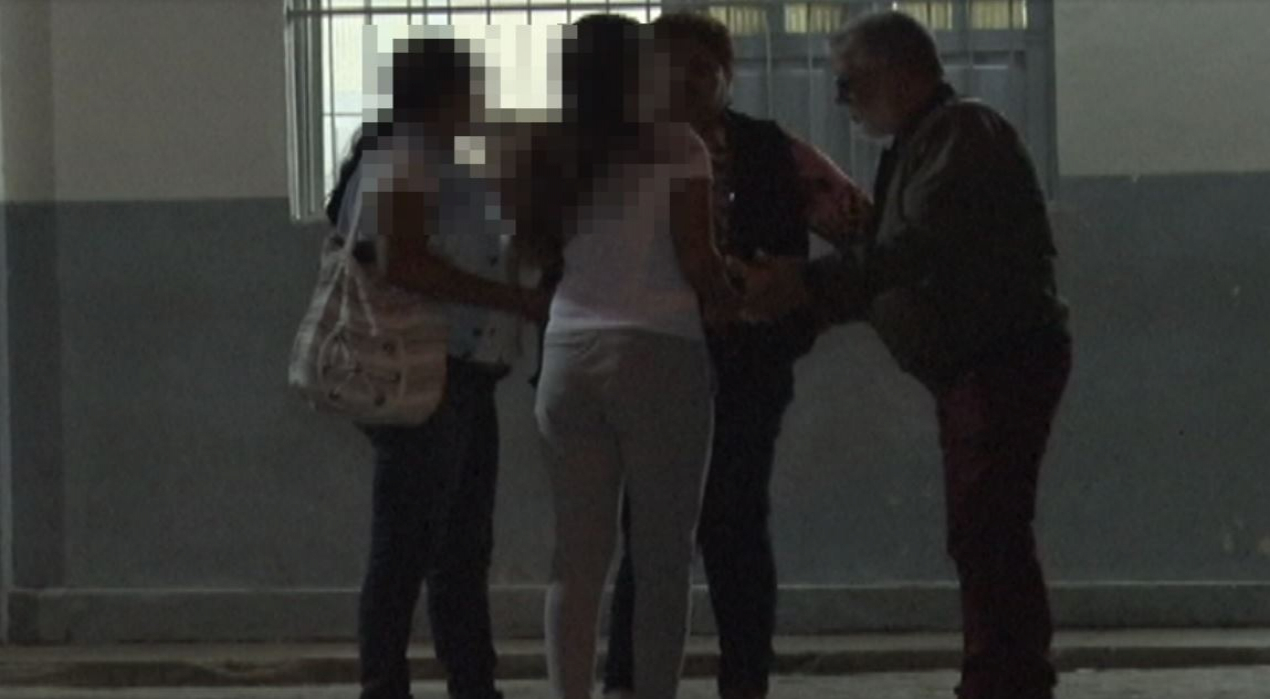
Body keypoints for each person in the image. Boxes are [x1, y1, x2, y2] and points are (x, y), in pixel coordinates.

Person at [743, 10, 1072, 699]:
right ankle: (1004, 676)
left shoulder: (958, 135)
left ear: (895, 73)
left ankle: (1005, 680)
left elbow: (919, 251)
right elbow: (902, 260)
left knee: (987, 529)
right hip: (981, 362)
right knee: (986, 527)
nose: (844, 101)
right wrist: (827, 285)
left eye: (850, 83)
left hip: (995, 359)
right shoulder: (932, 142)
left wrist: (810, 284)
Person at [601, 12, 871, 699]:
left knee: (735, 523)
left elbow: (863, 230)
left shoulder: (772, 151)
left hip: (748, 365)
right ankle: (630, 681)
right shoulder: (617, 154)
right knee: (651, 529)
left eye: (705, 67)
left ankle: (744, 681)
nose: (690, 79)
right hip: (648, 369)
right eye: (674, 65)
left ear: (728, 77)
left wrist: (801, 293)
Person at [517, 14, 742, 699]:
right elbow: (697, 258)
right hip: (659, 350)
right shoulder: (677, 144)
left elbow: (531, 254)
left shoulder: (548, 148)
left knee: (576, 560)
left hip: (566, 354)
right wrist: (734, 298)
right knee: (662, 557)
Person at [326, 35, 548, 699]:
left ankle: (471, 678)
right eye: (473, 89)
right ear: (444, 95)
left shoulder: (438, 161)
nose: (483, 101)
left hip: (463, 374)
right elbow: (406, 263)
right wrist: (515, 300)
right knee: (412, 545)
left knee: (457, 546)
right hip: (430, 370)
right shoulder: (406, 159)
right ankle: (389, 682)